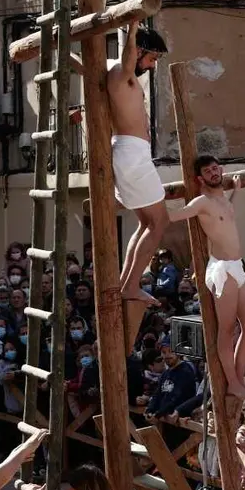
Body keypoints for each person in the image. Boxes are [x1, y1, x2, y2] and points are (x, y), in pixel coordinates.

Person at [167, 155, 245, 400]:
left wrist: (236, 192)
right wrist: (148, 205)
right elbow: (175, 216)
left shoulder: (224, 201)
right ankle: (232, 382)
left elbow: (226, 216)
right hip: (220, 269)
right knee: (227, 329)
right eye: (208, 171)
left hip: (237, 267)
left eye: (216, 169)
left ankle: (239, 379)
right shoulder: (202, 201)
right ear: (200, 178)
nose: (214, 173)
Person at [107, 21, 170, 305]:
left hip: (133, 152)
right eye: (152, 58)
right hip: (131, 153)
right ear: (139, 52)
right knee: (159, 222)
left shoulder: (122, 77)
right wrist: (132, 28)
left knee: (147, 222)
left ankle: (126, 283)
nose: (154, 65)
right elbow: (127, 56)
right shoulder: (123, 74)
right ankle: (130, 285)